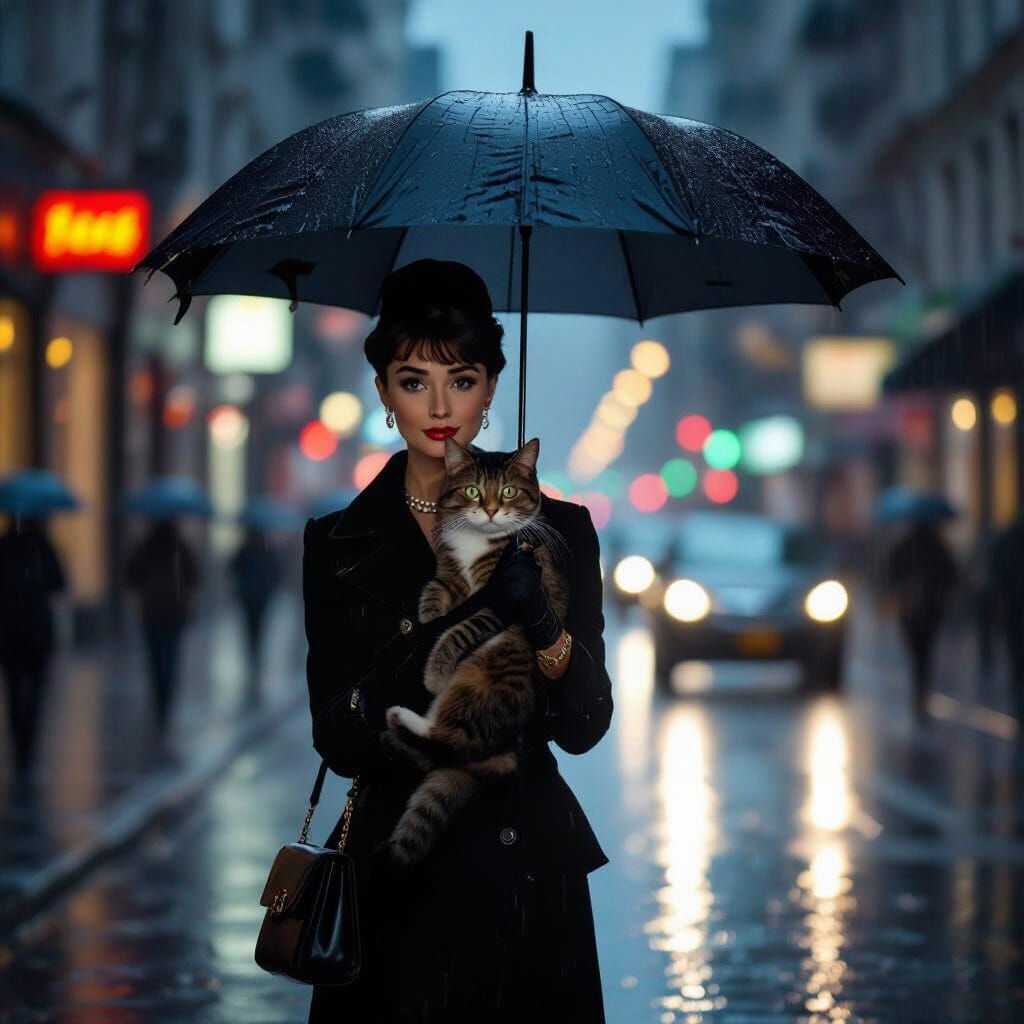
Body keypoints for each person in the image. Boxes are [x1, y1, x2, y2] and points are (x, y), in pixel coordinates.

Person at [304, 259, 613, 1023]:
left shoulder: (562, 532)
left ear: (492, 386)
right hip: (397, 876)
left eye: (463, 379)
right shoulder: (339, 543)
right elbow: (340, 737)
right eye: (413, 381)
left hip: (528, 880)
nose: (440, 406)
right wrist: (449, 627)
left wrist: (541, 621)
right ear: (381, 391)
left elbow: (583, 726)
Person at [0, 515, 66, 779]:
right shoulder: (44, 546)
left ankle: (19, 743)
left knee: (13, 687)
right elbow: (60, 583)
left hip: (8, 630)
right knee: (36, 689)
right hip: (37, 631)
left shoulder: (3, 546)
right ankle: (28, 746)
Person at [123, 519, 200, 731]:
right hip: (173, 612)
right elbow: (194, 579)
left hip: (152, 612)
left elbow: (130, 578)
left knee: (156, 658)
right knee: (171, 658)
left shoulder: (146, 548)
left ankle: (160, 701)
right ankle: (165, 702)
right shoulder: (180, 548)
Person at [884, 519, 958, 721]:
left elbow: (890, 573)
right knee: (925, 653)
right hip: (931, 610)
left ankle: (918, 691)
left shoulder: (903, 547)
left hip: (909, 610)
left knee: (916, 652)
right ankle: (922, 690)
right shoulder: (938, 548)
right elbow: (951, 575)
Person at [228, 526, 281, 695]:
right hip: (261, 597)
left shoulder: (244, 551)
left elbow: (232, 567)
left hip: (248, 597)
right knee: (258, 626)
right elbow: (276, 572)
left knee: (251, 627)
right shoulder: (266, 551)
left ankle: (253, 652)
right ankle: (255, 653)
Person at [988, 514, 1024, 727]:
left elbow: (997, 576)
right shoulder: (1009, 542)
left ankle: (1019, 703)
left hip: (1013, 609)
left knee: (1017, 658)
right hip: (1014, 608)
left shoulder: (1006, 540)